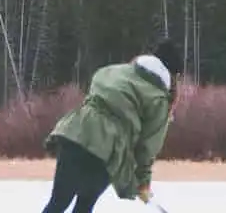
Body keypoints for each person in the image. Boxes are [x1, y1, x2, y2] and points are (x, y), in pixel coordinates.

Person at [41, 38, 184, 213]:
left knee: (57, 203)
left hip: (76, 132)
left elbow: (96, 90)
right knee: (84, 206)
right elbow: (147, 148)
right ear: (173, 75)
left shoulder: (113, 71)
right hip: (108, 150)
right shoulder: (159, 100)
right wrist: (143, 183)